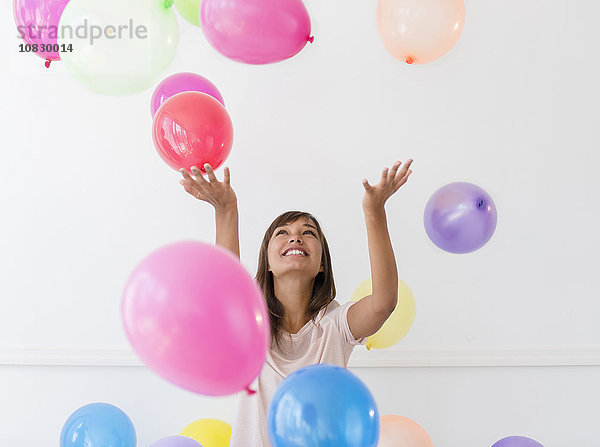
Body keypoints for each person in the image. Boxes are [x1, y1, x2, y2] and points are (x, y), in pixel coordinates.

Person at [179, 159, 413, 446]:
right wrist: (226, 211)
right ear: (267, 263)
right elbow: (225, 292)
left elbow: (384, 303)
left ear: (322, 265)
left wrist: (374, 212)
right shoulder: (252, 325)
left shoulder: (336, 324)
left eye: (308, 233)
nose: (296, 238)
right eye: (283, 233)